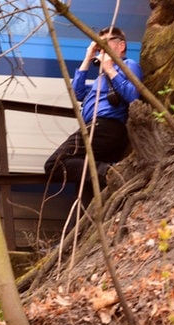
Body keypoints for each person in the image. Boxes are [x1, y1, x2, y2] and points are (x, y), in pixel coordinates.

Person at [44, 26, 143, 201]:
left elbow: (133, 95)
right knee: (86, 186)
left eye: (105, 43)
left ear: (121, 46)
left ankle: (111, 172)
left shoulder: (128, 65)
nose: (101, 47)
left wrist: (111, 69)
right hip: (95, 128)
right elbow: (77, 93)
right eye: (98, 44)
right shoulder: (100, 79)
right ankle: (88, 222)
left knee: (55, 164)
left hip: (106, 127)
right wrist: (88, 58)